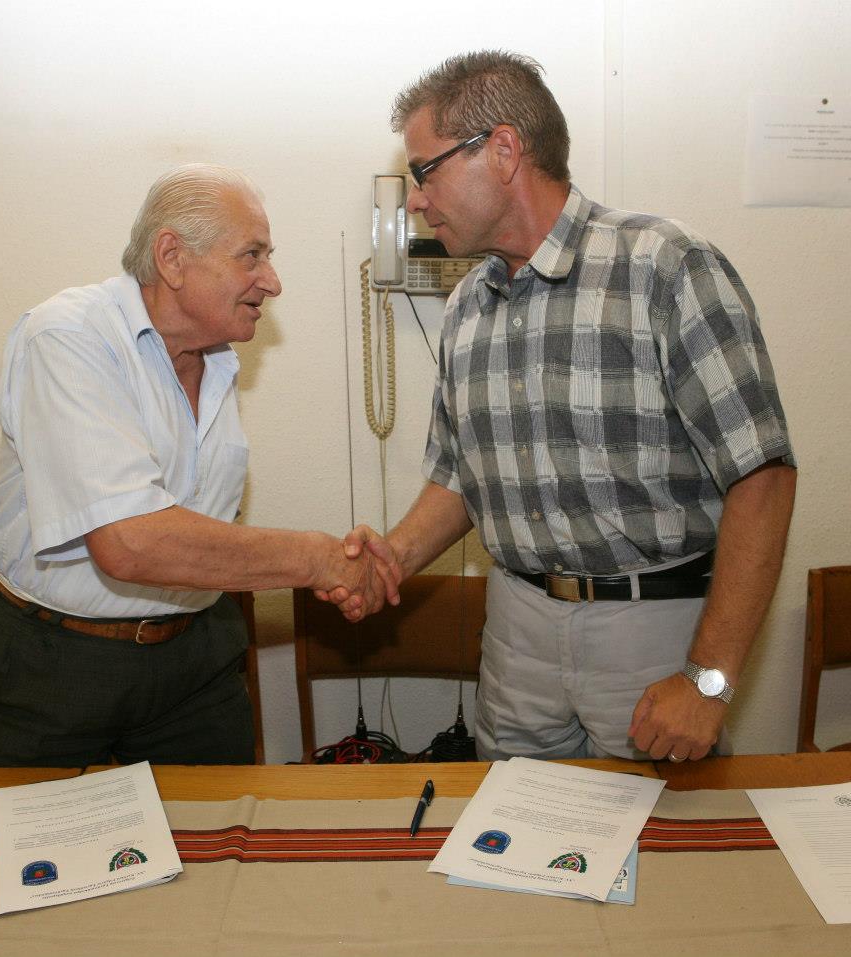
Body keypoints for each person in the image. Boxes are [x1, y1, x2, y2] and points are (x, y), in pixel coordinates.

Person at [330, 51, 797, 764]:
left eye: (426, 171)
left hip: (651, 632)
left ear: (503, 150)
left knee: (665, 834)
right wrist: (392, 558)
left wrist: (708, 681)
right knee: (509, 827)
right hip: (517, 633)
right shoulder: (466, 306)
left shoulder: (663, 266)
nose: (416, 200)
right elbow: (458, 477)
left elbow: (762, 476)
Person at [0, 164, 396, 767]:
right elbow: (129, 542)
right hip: (49, 659)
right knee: (48, 831)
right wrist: (320, 559)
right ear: (172, 257)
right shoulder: (67, 336)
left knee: (227, 823)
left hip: (194, 655)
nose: (272, 282)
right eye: (252, 256)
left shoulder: (215, 358)